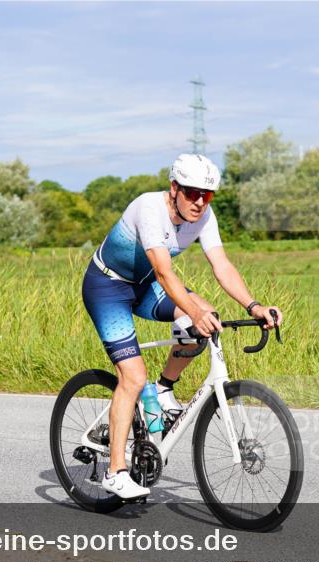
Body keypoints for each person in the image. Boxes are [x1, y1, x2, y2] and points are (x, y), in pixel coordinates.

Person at [81, 153, 283, 499]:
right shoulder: (149, 208)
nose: (200, 202)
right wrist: (192, 312)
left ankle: (164, 388)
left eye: (208, 195)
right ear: (174, 188)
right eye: (192, 193)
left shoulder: (205, 216)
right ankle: (115, 471)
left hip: (145, 287)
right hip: (108, 288)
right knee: (133, 377)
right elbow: (164, 272)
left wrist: (254, 305)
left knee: (206, 314)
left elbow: (221, 265)